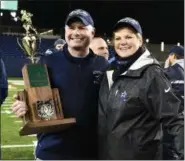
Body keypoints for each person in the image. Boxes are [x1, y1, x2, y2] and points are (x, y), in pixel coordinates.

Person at [11, 9, 108, 160]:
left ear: (92, 32)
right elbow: (35, 97)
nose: (76, 32)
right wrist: (24, 106)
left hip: (90, 152)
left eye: (82, 27)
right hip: (52, 151)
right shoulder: (48, 61)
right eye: (71, 28)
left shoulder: (102, 64)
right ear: (65, 31)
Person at [98, 17, 184, 160]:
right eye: (118, 38)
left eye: (128, 37)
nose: (122, 42)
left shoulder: (151, 74)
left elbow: (175, 119)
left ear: (140, 40)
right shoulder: (114, 71)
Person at [164, 45, 184, 110]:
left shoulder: (171, 70)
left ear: (173, 56)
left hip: (179, 109)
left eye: (169, 56)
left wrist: (166, 68)